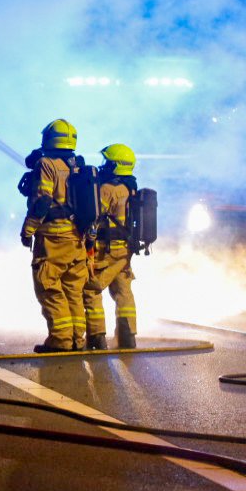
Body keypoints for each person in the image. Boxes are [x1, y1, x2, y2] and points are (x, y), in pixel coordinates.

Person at [19, 118, 87, 353]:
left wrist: (28, 229)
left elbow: (43, 200)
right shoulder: (77, 164)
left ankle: (60, 340)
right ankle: (78, 340)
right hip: (76, 237)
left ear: (48, 138)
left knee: (48, 287)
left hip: (53, 238)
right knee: (73, 290)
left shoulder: (46, 164)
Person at [83, 143, 139, 351]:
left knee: (91, 289)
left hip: (106, 250)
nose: (104, 165)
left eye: (108, 161)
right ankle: (128, 338)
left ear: (117, 165)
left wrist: (87, 241)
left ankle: (97, 338)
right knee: (123, 292)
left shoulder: (108, 190)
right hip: (125, 251)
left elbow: (94, 218)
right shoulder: (131, 188)